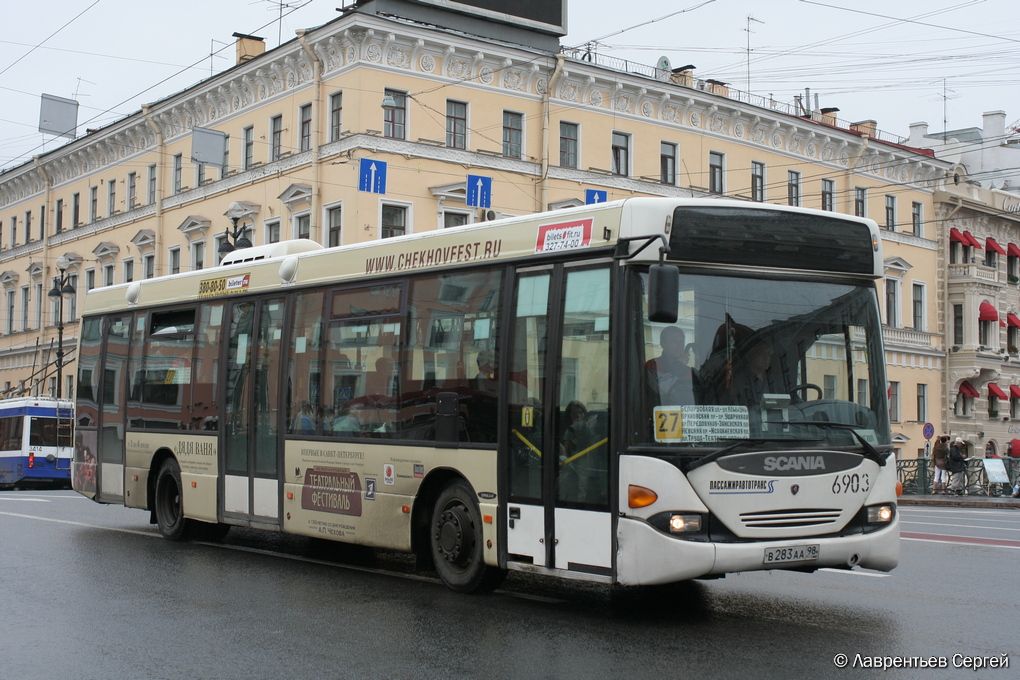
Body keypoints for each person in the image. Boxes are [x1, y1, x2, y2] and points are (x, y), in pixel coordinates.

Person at [646, 326, 695, 405]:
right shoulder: (652, 366)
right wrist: (679, 366)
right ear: (663, 343)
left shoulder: (689, 371)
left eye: (681, 342)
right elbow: (660, 391)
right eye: (674, 342)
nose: (679, 346)